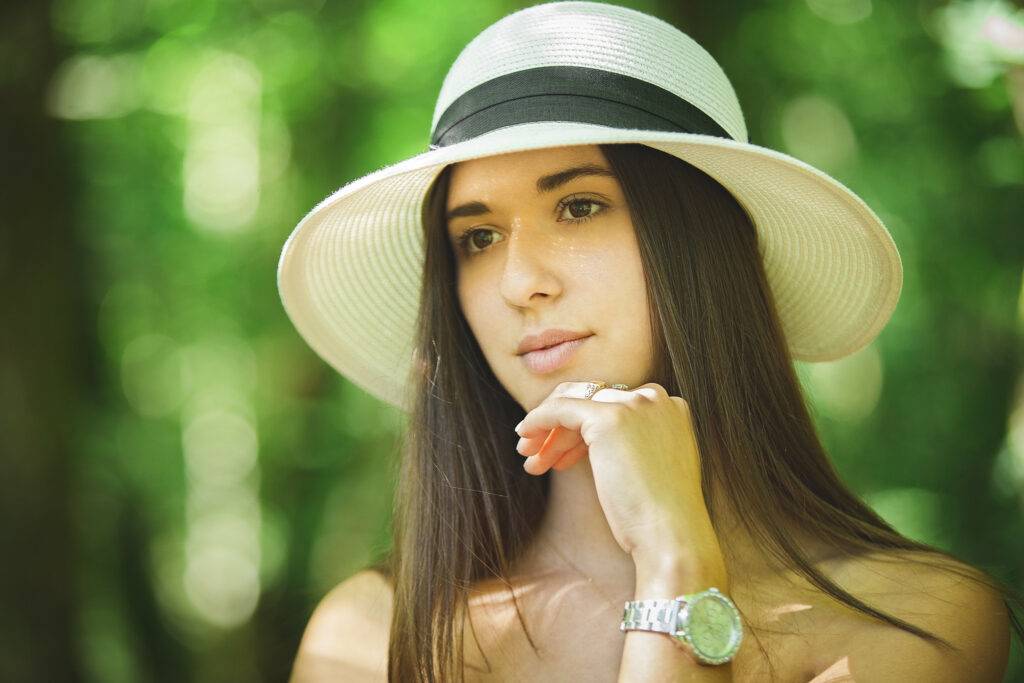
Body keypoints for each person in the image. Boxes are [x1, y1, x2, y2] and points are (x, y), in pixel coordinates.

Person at [277, 2, 1021, 681]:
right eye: (477, 236)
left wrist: (674, 555)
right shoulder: (373, 637)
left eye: (578, 205)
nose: (518, 281)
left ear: (698, 244)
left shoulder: (917, 621)